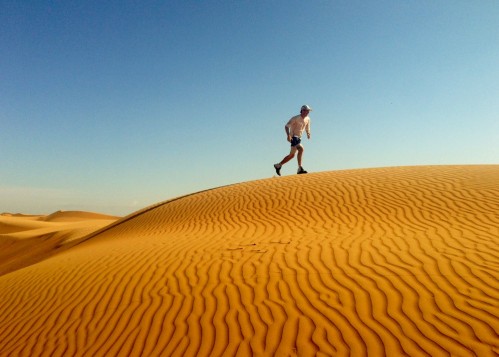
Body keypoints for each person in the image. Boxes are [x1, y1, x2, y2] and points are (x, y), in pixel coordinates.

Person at [274, 105, 312, 176]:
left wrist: (308, 133)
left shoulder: (308, 119)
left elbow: (307, 127)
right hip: (293, 137)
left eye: (308, 111)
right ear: (302, 110)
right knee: (301, 149)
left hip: (299, 138)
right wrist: (288, 135)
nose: (307, 112)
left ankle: (278, 165)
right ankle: (300, 168)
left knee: (292, 155)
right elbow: (286, 126)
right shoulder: (295, 118)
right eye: (306, 111)